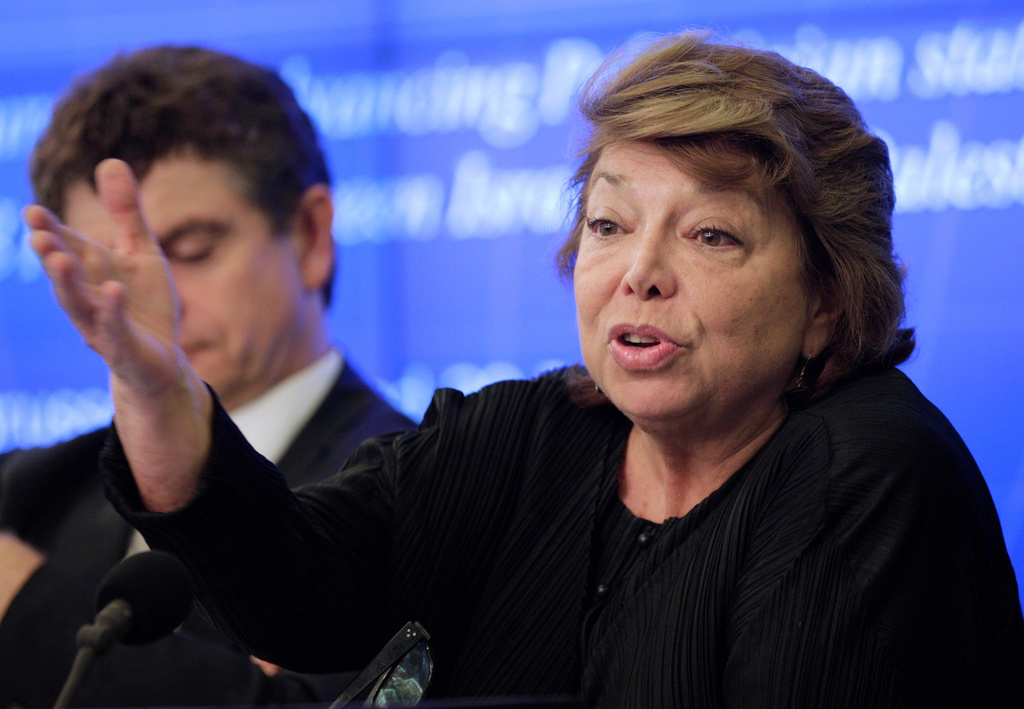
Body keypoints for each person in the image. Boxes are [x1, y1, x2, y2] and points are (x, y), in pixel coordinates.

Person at [26, 32, 1024, 708]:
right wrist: (159, 391)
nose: (638, 272)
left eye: (711, 235)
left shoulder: (865, 473)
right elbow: (294, 589)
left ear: (826, 299)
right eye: (609, 223)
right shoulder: (527, 436)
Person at [1, 46, 414, 708]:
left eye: (192, 251)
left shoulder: (420, 493)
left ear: (310, 235)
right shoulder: (30, 495)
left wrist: (26, 610)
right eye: (113, 275)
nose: (157, 301)